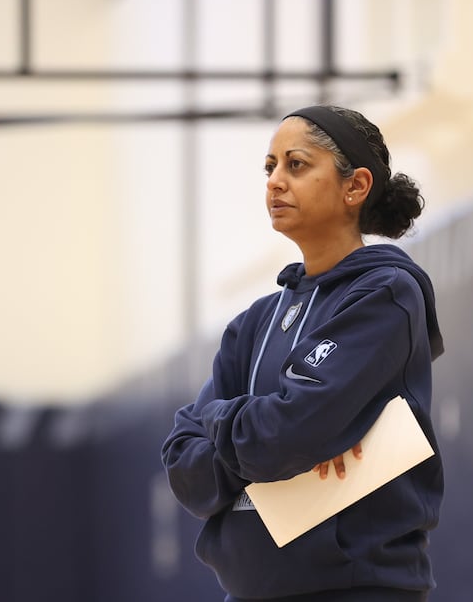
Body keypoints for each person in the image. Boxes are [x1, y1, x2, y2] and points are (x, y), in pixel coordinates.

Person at [161, 104, 445, 602]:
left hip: (357, 588)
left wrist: (228, 426)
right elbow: (184, 464)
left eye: (296, 165)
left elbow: (290, 430)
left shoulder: (386, 293)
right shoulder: (254, 322)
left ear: (354, 187)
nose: (275, 181)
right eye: (269, 167)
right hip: (249, 591)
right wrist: (269, 445)